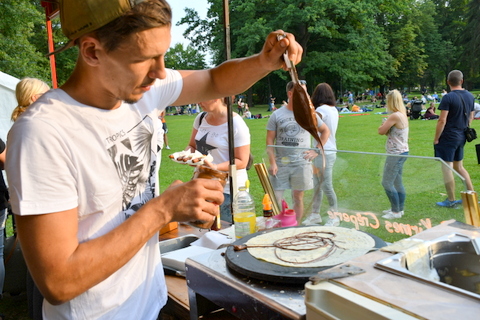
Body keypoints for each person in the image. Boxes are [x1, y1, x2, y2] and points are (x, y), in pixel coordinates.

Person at [4, 1, 303, 319]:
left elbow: (215, 81)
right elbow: (58, 280)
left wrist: (263, 61)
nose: (161, 72)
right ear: (92, 51)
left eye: (163, 56)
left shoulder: (141, 88)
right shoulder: (42, 133)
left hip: (148, 303)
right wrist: (163, 209)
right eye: (145, 58)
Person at [266, 81, 330, 224]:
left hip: (301, 164)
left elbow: (325, 131)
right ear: (290, 94)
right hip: (280, 165)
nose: (306, 96)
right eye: (302, 93)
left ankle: (295, 226)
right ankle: (276, 228)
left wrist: (317, 150)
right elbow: (269, 142)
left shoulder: (309, 114)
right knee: (275, 199)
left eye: (306, 93)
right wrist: (272, 162)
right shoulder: (276, 115)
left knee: (298, 198)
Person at [186, 98, 250, 223]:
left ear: (216, 97)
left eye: (203, 97)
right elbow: (192, 146)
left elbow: (242, 161)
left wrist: (215, 167)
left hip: (227, 191)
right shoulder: (200, 118)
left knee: (226, 234)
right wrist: (187, 156)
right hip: (202, 186)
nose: (198, 101)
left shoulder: (235, 123)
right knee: (201, 231)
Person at [434, 70, 475, 207]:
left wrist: (436, 138)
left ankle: (451, 200)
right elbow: (471, 116)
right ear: (462, 81)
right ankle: (471, 194)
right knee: (459, 166)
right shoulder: (470, 95)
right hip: (462, 135)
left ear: (448, 82)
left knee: (447, 167)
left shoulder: (448, 97)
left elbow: (442, 120)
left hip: (449, 136)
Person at [306, 82, 339, 226]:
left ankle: (334, 216)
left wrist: (317, 149)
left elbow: (314, 126)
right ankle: (315, 214)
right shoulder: (333, 109)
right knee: (318, 185)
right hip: (329, 150)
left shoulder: (321, 110)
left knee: (325, 186)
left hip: (322, 151)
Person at [378, 89, 409, 219]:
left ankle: (395, 212)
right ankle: (398, 209)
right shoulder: (402, 114)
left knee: (387, 182)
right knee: (397, 182)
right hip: (403, 151)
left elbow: (381, 131)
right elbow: (388, 131)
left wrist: (383, 125)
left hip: (396, 154)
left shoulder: (394, 116)